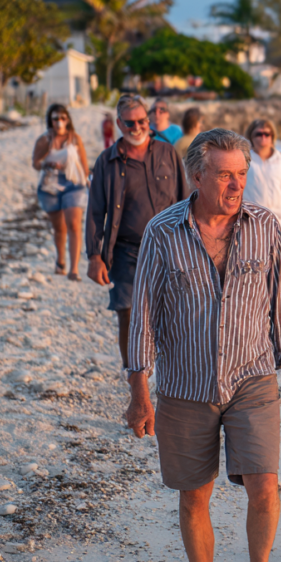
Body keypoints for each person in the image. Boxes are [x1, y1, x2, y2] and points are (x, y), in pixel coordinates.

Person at [125, 128, 281, 562]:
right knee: (194, 496)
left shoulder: (266, 227)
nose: (235, 185)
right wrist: (139, 394)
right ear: (196, 176)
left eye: (241, 174)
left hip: (253, 378)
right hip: (185, 386)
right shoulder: (162, 232)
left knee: (264, 486)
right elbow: (143, 317)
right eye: (224, 175)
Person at [86, 94, 189, 369]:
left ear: (149, 119)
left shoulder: (168, 153)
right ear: (119, 123)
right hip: (126, 250)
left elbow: (185, 199)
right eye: (130, 123)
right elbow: (96, 212)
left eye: (142, 120)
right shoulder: (106, 162)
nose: (137, 127)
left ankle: (168, 376)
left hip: (169, 248)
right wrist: (94, 256)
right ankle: (135, 378)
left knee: (172, 315)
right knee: (128, 314)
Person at [32, 104, 90, 280]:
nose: (59, 122)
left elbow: (85, 165)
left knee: (74, 224)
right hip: (50, 186)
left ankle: (74, 269)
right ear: (50, 120)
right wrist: (47, 162)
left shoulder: (75, 138)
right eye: (56, 118)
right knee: (59, 228)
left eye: (63, 118)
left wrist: (86, 178)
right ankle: (60, 261)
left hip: (73, 184)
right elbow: (35, 163)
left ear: (68, 120)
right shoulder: (44, 140)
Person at [243, 118, 281, 244]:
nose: (263, 137)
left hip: (278, 219)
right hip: (250, 221)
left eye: (267, 134)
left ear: (272, 137)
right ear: (251, 136)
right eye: (259, 134)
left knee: (278, 260)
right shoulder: (244, 160)